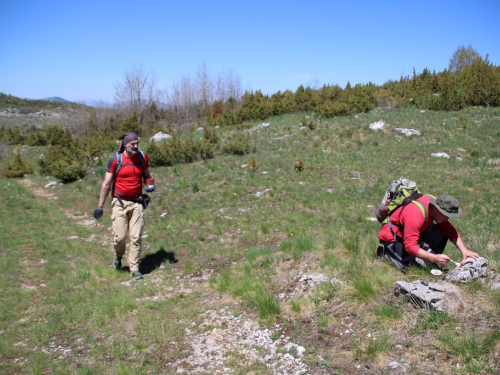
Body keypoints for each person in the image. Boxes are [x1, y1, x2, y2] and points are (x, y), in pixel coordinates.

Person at [93, 132, 155, 280]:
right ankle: (118, 255)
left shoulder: (142, 157)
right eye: (132, 144)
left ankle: (134, 268)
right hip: (119, 202)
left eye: (137, 143)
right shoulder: (116, 160)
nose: (135, 146)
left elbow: (147, 174)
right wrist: (100, 206)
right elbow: (106, 184)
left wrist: (149, 183)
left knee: (136, 236)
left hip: (137, 202)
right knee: (120, 237)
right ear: (125, 144)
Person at [377, 194, 480, 270]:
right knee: (410, 268)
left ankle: (427, 259)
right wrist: (434, 258)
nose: (447, 219)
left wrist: (464, 251)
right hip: (394, 238)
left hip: (412, 234)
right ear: (437, 209)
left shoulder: (435, 208)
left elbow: (449, 230)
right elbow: (410, 246)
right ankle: (385, 253)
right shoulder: (415, 215)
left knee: (442, 230)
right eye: (445, 215)